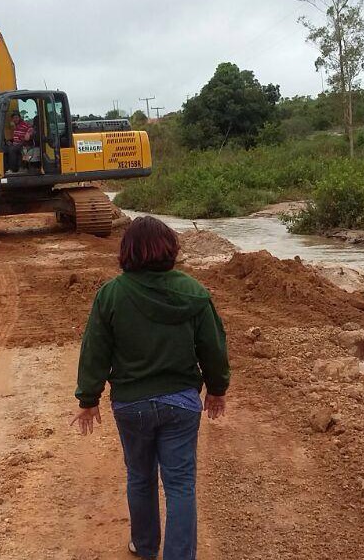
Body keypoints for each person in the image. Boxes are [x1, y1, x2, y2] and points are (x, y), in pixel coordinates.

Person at [71, 216, 230, 560]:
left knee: (140, 477)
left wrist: (88, 399)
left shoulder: (111, 294)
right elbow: (214, 348)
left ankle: (144, 548)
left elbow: (95, 349)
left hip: (131, 406)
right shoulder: (195, 292)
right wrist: (217, 390)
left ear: (127, 252)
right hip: (181, 404)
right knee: (180, 485)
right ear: (170, 249)